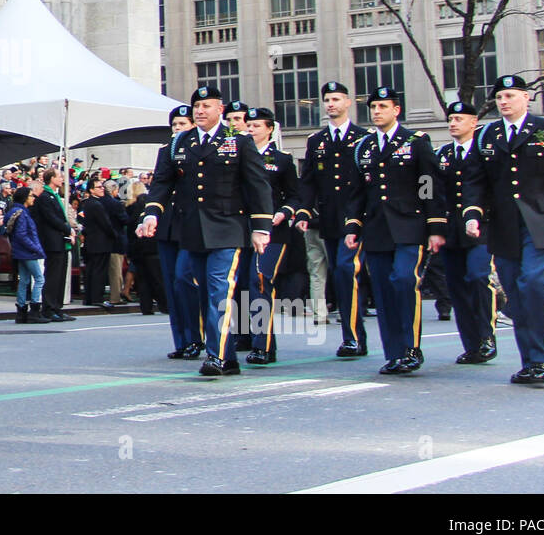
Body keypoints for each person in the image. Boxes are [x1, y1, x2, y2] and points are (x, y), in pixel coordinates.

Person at [463, 75, 544, 385]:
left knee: (534, 282)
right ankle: (529, 360)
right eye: (499, 97)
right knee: (515, 291)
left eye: (510, 95)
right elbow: (475, 181)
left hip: (542, 223)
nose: (504, 102)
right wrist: (472, 214)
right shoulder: (486, 136)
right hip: (504, 225)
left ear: (526, 98)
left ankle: (540, 361)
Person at [139, 85, 272, 377]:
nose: (200, 111)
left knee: (218, 291)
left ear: (220, 110)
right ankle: (226, 354)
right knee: (200, 291)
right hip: (192, 230)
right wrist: (150, 214)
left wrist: (261, 227)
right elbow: (162, 184)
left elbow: (257, 185)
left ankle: (217, 356)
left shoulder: (237, 141)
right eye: (197, 106)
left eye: (207, 106)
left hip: (228, 228)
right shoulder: (179, 143)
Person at [343, 88, 446, 375]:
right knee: (384, 291)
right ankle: (394, 353)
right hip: (376, 229)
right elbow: (357, 193)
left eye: (383, 106)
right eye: (373, 106)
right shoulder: (363, 147)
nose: (376, 111)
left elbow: (428, 183)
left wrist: (435, 225)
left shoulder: (415, 141)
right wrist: (353, 226)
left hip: (410, 226)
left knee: (403, 279)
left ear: (396, 110)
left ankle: (411, 347)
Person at [295, 80, 370, 357]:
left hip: (355, 220)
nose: (331, 105)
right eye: (327, 100)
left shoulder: (363, 138)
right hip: (328, 219)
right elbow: (309, 181)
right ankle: (352, 335)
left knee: (347, 273)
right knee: (339, 275)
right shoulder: (317, 141)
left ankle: (353, 337)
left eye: (337, 99)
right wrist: (304, 210)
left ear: (348, 103)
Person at [437, 101, 498, 365]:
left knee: (477, 277)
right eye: (450, 118)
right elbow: (431, 192)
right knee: (457, 287)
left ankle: (486, 336)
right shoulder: (442, 154)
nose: (453, 123)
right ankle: (472, 345)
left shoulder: (485, 151)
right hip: (452, 230)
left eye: (459, 118)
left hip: (481, 229)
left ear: (473, 122)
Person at [243, 107, 300, 365]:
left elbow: (295, 194)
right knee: (245, 286)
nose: (251, 130)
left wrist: (284, 212)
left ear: (269, 129)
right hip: (243, 228)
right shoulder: (238, 156)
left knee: (261, 280)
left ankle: (262, 345)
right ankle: (250, 338)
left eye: (256, 126)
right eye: (248, 125)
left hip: (273, 232)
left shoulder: (282, 159)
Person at [151, 105, 203, 360]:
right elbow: (159, 187)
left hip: (190, 225)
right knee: (173, 286)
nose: (178, 129)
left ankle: (197, 337)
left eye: (183, 124)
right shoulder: (166, 151)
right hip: (167, 226)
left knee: (185, 281)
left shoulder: (199, 151)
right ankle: (181, 340)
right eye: (175, 125)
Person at [29, 168, 74, 321]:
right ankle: (48, 307)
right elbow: (51, 218)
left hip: (60, 241)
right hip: (51, 241)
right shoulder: (45, 197)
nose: (62, 179)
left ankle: (57, 306)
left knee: (60, 275)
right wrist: (67, 229)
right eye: (59, 176)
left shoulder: (54, 196)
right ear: (51, 178)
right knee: (53, 276)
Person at [5, 186, 50, 323]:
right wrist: (36, 248)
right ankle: (35, 310)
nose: (33, 198)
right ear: (25, 198)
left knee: (24, 280)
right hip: (27, 252)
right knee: (39, 278)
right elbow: (22, 235)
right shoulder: (23, 213)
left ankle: (21, 310)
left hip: (19, 251)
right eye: (31, 196)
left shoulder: (15, 211)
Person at [124, 183, 166, 316]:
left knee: (143, 279)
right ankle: (165, 305)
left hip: (137, 248)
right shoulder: (150, 211)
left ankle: (146, 306)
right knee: (157, 278)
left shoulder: (128, 208)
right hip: (152, 247)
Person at [79, 176, 120, 307]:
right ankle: (97, 297)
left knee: (92, 269)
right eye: (99, 187)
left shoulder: (89, 203)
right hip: (100, 242)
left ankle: (90, 297)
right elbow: (105, 224)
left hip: (93, 241)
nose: (102, 189)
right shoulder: (96, 204)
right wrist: (114, 235)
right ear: (91, 190)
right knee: (99, 271)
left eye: (103, 186)